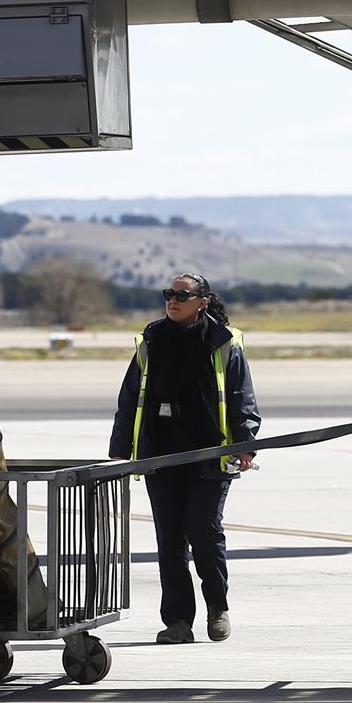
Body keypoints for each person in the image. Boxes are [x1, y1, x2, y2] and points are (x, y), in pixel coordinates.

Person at [110, 272, 260, 644]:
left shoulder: (224, 342)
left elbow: (242, 398)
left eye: (182, 294)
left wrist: (245, 443)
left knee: (205, 534)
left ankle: (217, 608)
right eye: (168, 294)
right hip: (161, 454)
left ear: (202, 301)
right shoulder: (151, 340)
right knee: (171, 541)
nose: (172, 300)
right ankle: (178, 621)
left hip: (210, 453)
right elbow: (131, 396)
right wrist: (121, 448)